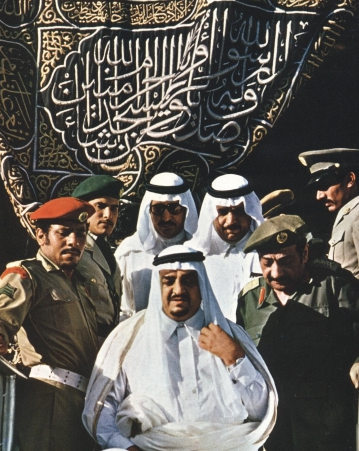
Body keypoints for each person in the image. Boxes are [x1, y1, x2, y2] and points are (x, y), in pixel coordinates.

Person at [83, 245, 277, 451]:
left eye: (188, 281)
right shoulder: (130, 337)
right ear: (158, 288)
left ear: (201, 286)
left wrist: (234, 357)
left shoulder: (230, 335)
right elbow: (99, 410)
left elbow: (261, 410)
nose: (178, 290)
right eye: (168, 281)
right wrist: (126, 447)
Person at [0, 197, 98, 451]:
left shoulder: (80, 286)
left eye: (80, 234)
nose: (73, 242)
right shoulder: (27, 274)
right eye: (63, 233)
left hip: (81, 404)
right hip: (49, 400)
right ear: (42, 236)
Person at [237, 215, 359, 451]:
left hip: (328, 427)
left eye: (286, 261)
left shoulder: (334, 286)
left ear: (305, 254)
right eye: (267, 263)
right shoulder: (250, 299)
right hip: (274, 428)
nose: (276, 273)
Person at [298, 147, 359, 285]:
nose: (319, 195)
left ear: (350, 180)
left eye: (325, 185)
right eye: (317, 188)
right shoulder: (349, 215)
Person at [116, 172, 199, 318]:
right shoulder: (129, 252)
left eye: (174, 208)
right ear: (149, 210)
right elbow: (123, 311)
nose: (166, 218)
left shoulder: (200, 250)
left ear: (186, 210)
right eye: (158, 209)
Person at [188, 174, 263, 320]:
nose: (231, 221)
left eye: (239, 211)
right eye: (222, 212)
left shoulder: (268, 252)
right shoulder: (192, 255)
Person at [71, 174, 123, 341]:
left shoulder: (107, 250)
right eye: (100, 206)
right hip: (81, 342)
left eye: (114, 208)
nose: (108, 215)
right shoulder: (72, 250)